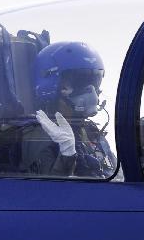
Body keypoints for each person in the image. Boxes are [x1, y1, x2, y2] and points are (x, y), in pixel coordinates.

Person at [20, 41, 116, 178]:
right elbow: (50, 189)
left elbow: (115, 174)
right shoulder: (39, 136)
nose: (92, 92)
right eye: (80, 83)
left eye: (94, 83)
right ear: (50, 87)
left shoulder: (91, 132)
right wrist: (67, 154)